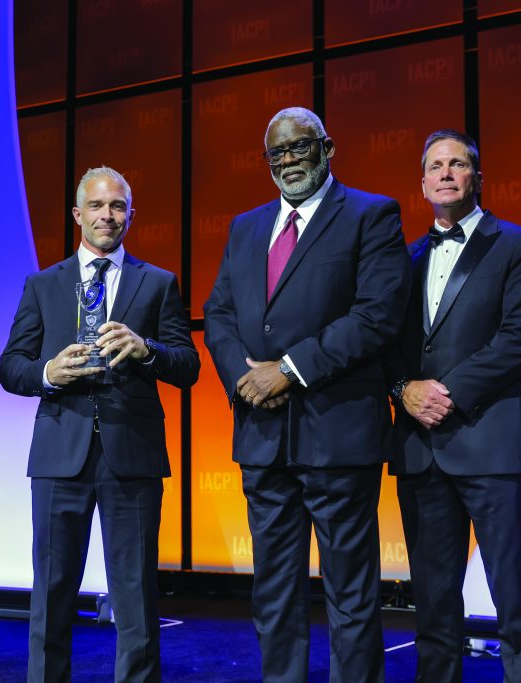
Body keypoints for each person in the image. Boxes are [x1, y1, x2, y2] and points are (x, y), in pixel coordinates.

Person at [203, 106, 411, 682]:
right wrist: (243, 378)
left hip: (338, 435)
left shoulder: (371, 215)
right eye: (277, 152)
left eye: (299, 147)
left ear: (328, 148)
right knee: (273, 593)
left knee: (350, 592)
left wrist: (289, 371)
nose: (289, 159)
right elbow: (218, 312)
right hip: (262, 436)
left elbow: (377, 316)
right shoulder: (246, 227)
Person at [0, 166, 199, 683]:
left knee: (134, 596)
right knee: (52, 593)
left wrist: (146, 349)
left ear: (131, 214)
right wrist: (48, 372)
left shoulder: (157, 284)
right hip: (58, 456)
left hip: (130, 456)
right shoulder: (43, 284)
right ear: (77, 215)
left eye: (117, 207)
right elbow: (9, 366)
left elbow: (188, 365)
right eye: (96, 206)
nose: (107, 216)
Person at [387, 129, 521, 682]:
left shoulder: (518, 244)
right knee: (433, 607)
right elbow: (381, 345)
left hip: (492, 442)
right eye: (436, 166)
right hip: (421, 451)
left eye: (458, 164)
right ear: (424, 182)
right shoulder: (402, 262)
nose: (447, 173)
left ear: (477, 178)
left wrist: (446, 391)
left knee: (517, 602)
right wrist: (402, 388)